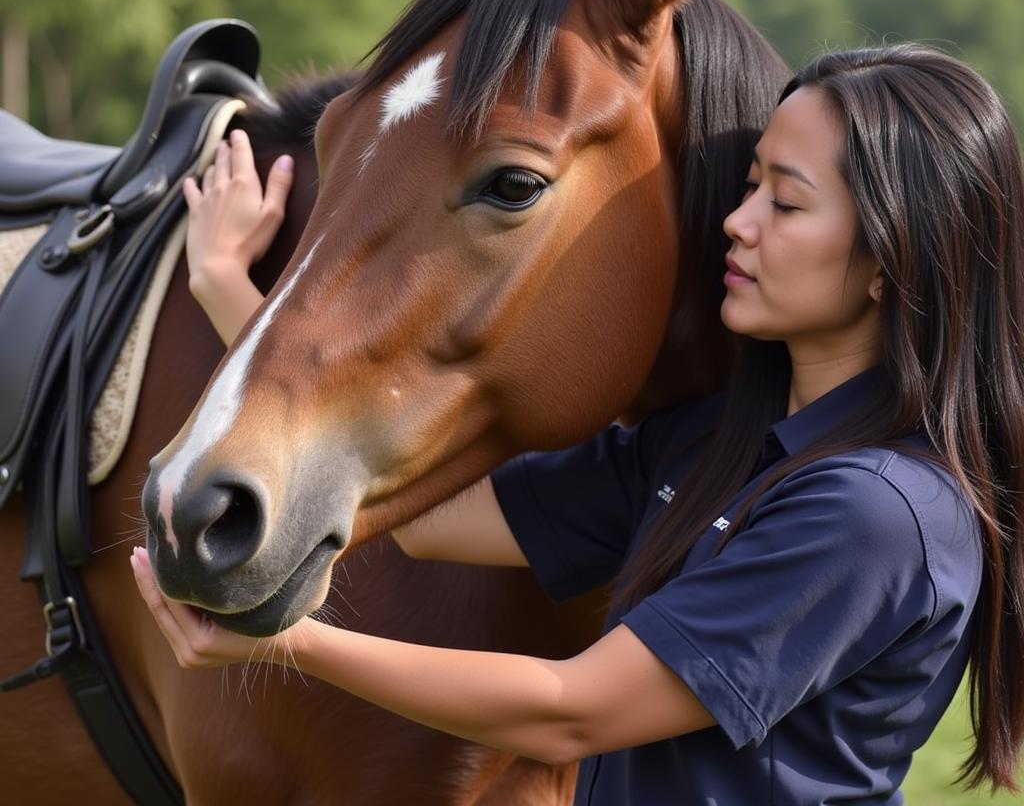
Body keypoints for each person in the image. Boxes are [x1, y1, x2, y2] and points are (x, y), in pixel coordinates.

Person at [132, 44, 1024, 803]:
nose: (736, 224)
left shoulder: (876, 514)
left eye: (784, 205)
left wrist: (289, 641)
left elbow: (572, 707)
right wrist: (231, 296)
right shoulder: (713, 444)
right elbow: (434, 519)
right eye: (748, 185)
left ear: (889, 259)